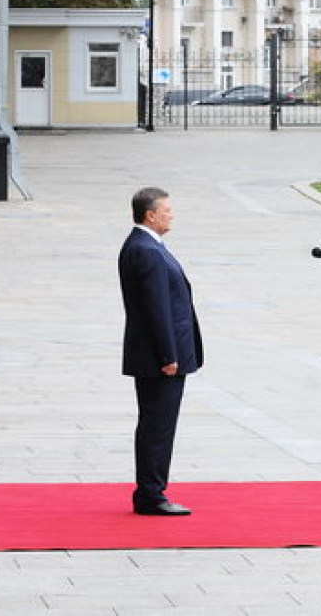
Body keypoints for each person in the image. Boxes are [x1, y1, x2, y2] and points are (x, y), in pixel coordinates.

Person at [118, 187, 203, 516]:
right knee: (158, 425)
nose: (172, 214)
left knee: (155, 423)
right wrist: (169, 356)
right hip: (160, 358)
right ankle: (152, 494)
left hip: (156, 354)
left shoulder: (144, 246)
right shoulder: (146, 250)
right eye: (167, 209)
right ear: (149, 215)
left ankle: (150, 490)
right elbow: (157, 309)